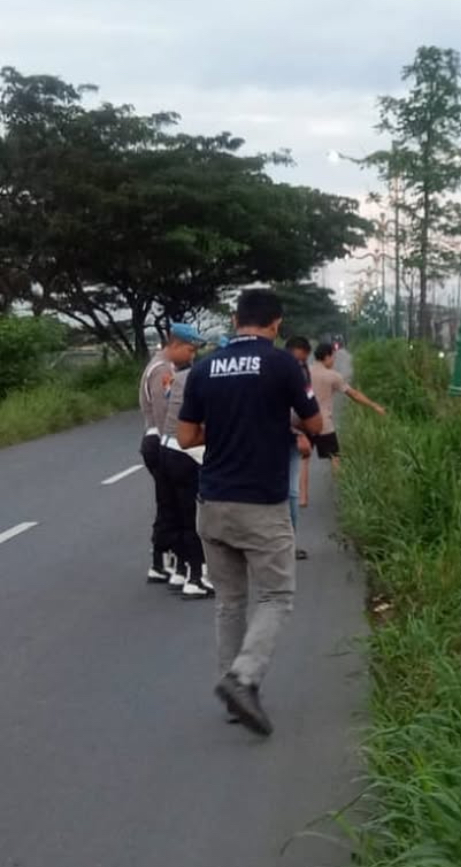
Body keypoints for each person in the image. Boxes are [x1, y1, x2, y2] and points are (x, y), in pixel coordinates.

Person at [177, 288, 322, 737]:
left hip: (213, 501)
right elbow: (314, 424)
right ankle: (243, 678)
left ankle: (233, 695)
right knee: (277, 596)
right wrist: (276, 424)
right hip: (260, 503)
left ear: (236, 319)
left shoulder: (203, 368)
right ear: (276, 323)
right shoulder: (283, 364)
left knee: (231, 601)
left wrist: (226, 432)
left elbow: (185, 438)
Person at [158, 322, 211, 598]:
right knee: (193, 518)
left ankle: (179, 571)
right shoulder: (195, 377)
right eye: (191, 349)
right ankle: (196, 578)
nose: (193, 355)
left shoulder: (175, 378)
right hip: (185, 453)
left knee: (177, 515)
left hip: (166, 449)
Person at [309, 341, 387, 476]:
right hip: (323, 424)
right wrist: (374, 405)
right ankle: (340, 483)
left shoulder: (304, 371)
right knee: (334, 457)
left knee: (302, 461)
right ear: (327, 357)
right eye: (333, 357)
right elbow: (354, 395)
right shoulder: (332, 376)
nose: (333, 361)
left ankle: (299, 496)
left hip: (302, 422)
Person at [138, 339, 175, 582]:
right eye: (191, 349)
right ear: (177, 346)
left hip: (155, 440)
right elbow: (164, 412)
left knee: (168, 502)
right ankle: (161, 560)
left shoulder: (160, 365)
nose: (193, 355)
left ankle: (162, 559)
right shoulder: (162, 369)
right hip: (159, 440)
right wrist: (171, 444)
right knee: (169, 503)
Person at [285, 336, 314, 560]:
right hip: (287, 437)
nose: (302, 364)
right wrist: (301, 433)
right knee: (291, 492)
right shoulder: (297, 371)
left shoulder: (300, 370)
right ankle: (287, 544)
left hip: (276, 437)